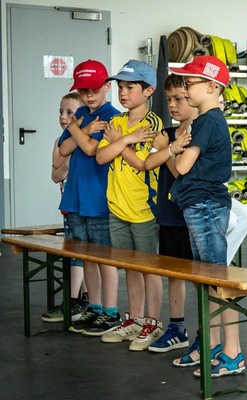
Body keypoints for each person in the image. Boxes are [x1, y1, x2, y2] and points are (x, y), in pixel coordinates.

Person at [168, 55, 243, 378]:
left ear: (212, 87)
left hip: (205, 207)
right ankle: (213, 344)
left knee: (217, 281)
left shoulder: (206, 122)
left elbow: (182, 167)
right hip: (199, 207)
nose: (185, 89)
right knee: (208, 281)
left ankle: (232, 353)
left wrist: (175, 147)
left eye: (189, 83)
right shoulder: (209, 121)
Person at [94, 60, 164, 349]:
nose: (123, 93)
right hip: (118, 207)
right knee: (129, 267)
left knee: (149, 268)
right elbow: (101, 157)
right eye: (120, 87)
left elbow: (144, 163)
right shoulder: (117, 123)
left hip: (144, 209)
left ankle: (153, 322)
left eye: (130, 87)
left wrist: (121, 142)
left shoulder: (154, 125)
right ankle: (134, 319)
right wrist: (127, 139)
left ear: (148, 91)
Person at [57, 60, 122, 336]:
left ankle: (111, 312)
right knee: (86, 258)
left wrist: (76, 128)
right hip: (76, 197)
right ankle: (94, 308)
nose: (89, 95)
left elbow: (91, 148)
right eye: (83, 91)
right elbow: (63, 149)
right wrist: (79, 128)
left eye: (94, 89)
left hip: (99, 198)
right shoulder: (82, 114)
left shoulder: (112, 116)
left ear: (106, 86)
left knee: (104, 258)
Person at [145, 73, 196, 353]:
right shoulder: (168, 132)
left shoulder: (196, 134)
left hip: (190, 215)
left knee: (200, 275)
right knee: (173, 274)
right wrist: (166, 149)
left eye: (179, 99)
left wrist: (167, 150)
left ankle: (205, 333)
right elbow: (149, 162)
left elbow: (180, 173)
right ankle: (177, 327)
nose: (173, 105)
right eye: (169, 100)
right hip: (168, 213)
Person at [41, 92, 88, 323]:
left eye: (69, 112)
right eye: (61, 111)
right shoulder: (60, 141)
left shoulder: (85, 139)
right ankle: (81, 299)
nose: (63, 116)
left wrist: (66, 156)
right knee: (76, 251)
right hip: (68, 206)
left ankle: (76, 301)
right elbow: (56, 174)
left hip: (83, 205)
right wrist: (65, 155)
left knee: (81, 253)